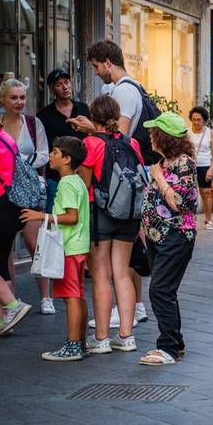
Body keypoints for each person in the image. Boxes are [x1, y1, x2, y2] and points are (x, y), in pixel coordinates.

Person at [79, 96, 145, 354]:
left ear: (93, 117)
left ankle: (102, 337)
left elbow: (85, 184)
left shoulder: (91, 143)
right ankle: (126, 336)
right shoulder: (132, 143)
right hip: (129, 215)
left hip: (102, 213)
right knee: (122, 273)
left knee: (101, 276)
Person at [138, 112, 199, 365]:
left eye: (154, 133)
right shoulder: (163, 162)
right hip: (158, 237)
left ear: (165, 137)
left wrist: (159, 179)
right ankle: (175, 342)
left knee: (160, 290)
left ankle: (168, 349)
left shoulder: (183, 163)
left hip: (175, 236)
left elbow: (180, 203)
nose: (150, 136)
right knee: (166, 290)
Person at [22, 137, 89, 360]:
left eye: (55, 152)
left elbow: (71, 217)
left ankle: (72, 345)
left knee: (70, 296)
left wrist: (41, 216)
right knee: (78, 294)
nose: (50, 155)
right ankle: (80, 342)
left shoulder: (68, 183)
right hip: (79, 246)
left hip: (69, 247)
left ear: (67, 159)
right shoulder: (78, 181)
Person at [0, 79, 52, 314]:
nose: (19, 102)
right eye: (14, 97)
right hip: (3, 193)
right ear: (3, 100)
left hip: (29, 192)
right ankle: (10, 299)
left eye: (22, 97)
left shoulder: (32, 123)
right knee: (5, 249)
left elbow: (44, 154)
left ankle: (45, 297)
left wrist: (20, 161)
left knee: (34, 244)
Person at [38, 69, 89, 213]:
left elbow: (91, 139)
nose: (65, 87)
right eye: (59, 84)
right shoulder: (44, 115)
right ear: (51, 89)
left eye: (66, 82)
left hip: (83, 174)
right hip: (56, 177)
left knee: (81, 214)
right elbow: (44, 147)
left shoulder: (83, 109)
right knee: (55, 215)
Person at [0, 116, 30, 336]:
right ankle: (2, 323)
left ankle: (12, 305)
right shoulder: (6, 138)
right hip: (11, 205)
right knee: (0, 263)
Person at [187, 106, 213, 230]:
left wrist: (211, 169)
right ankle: (190, 219)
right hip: (190, 166)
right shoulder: (187, 132)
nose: (196, 122)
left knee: (206, 192)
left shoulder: (209, 133)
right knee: (189, 193)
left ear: (204, 120)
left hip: (205, 165)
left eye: (199, 119)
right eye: (193, 119)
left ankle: (208, 219)